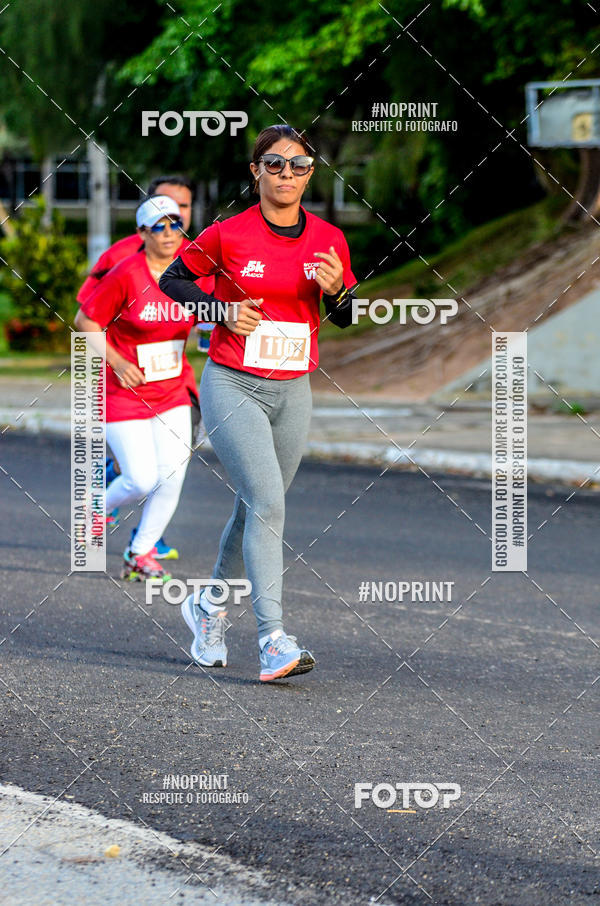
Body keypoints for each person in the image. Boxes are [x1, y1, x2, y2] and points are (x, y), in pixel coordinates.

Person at [160, 124, 357, 681]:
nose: (286, 174)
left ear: (311, 173)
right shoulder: (228, 234)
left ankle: (207, 605)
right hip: (233, 383)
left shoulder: (329, 239)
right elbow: (174, 281)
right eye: (274, 164)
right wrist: (219, 311)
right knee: (269, 502)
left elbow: (343, 315)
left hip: (293, 389)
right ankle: (273, 639)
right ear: (256, 171)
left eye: (298, 165)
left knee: (255, 505)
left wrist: (338, 290)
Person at [74, 195, 211, 581]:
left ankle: (139, 553)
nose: (169, 233)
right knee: (140, 478)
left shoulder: (191, 272)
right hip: (122, 392)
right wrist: (116, 362)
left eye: (175, 223)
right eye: (159, 226)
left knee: (173, 475)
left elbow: (206, 318)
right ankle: (94, 508)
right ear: (142, 233)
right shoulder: (126, 273)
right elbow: (85, 322)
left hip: (171, 391)